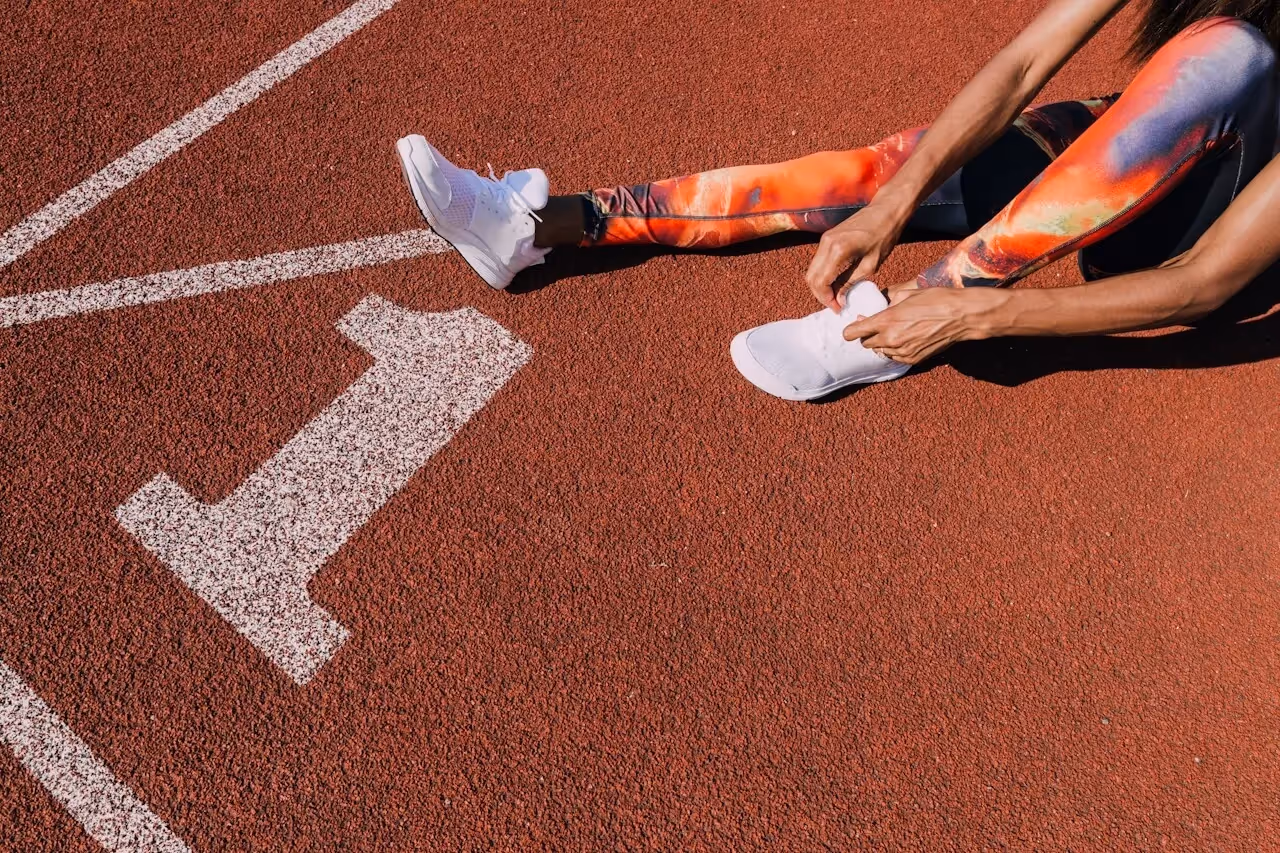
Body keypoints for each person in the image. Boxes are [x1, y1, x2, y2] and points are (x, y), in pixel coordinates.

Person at [396, 0, 1280, 401]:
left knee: (1228, 56)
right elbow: (1018, 67)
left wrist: (973, 320)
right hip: (1156, 143)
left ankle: (905, 318)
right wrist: (890, 207)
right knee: (868, 174)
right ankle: (538, 225)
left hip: (1197, 241)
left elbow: (1203, 283)